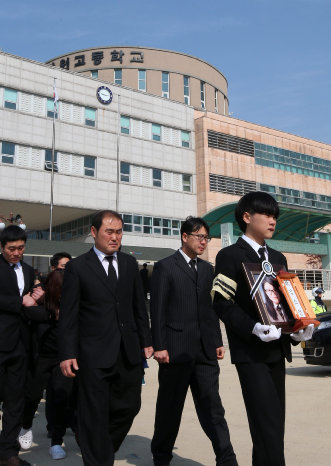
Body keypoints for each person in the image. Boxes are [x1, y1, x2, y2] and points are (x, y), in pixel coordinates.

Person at [212, 192, 314, 466]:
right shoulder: (229, 256)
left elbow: (287, 303)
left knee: (272, 427)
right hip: (251, 353)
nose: (272, 221)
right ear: (247, 217)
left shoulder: (278, 258)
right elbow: (221, 303)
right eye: (267, 215)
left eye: (275, 216)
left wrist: (298, 328)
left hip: (276, 351)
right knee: (267, 425)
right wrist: (253, 327)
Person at [58, 210, 153, 466]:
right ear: (94, 232)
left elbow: (138, 308)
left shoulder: (129, 264)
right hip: (93, 353)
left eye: (119, 232)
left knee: (129, 406)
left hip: (128, 351)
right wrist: (67, 353)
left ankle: (99, 448)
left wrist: (146, 339)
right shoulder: (78, 267)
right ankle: (98, 459)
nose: (115, 237)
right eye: (109, 232)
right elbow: (68, 315)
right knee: (95, 413)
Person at [150, 216, 237, 466]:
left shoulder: (208, 269)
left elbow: (211, 309)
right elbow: (158, 310)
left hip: (205, 352)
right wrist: (159, 346)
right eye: (199, 237)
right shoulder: (166, 266)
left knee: (213, 408)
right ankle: (162, 458)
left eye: (206, 238)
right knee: (170, 409)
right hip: (175, 351)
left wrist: (217, 340)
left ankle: (227, 458)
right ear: (184, 236)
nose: (203, 242)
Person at [0, 225, 44, 466]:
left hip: (21, 344)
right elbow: (18, 301)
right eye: (11, 249)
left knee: (16, 401)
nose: (16, 253)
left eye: (20, 248)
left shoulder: (28, 270)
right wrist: (20, 301)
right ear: (2, 247)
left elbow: (29, 303)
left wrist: (36, 298)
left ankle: (7, 453)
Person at [20, 270, 74, 460]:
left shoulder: (74, 309)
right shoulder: (40, 309)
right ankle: (26, 426)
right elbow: (28, 308)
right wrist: (29, 301)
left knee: (60, 399)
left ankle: (56, 442)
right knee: (32, 396)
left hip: (63, 359)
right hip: (41, 358)